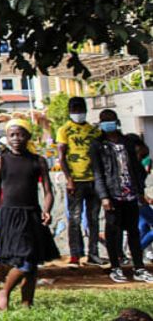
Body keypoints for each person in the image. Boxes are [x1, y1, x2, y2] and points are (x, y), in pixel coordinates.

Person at [0, 119, 59, 310]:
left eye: (20, 134)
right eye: (12, 135)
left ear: (28, 136)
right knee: (25, 260)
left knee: (31, 262)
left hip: (32, 214)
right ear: (7, 137)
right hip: (10, 215)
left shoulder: (38, 161)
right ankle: (4, 292)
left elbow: (48, 191)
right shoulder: (0, 161)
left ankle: (27, 303)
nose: (16, 138)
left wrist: (47, 210)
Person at [89, 110, 152, 283]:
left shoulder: (128, 142)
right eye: (104, 121)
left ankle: (139, 268)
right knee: (113, 232)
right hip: (112, 194)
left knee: (133, 231)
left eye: (110, 120)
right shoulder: (97, 145)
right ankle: (115, 267)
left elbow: (136, 169)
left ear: (116, 121)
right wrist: (104, 196)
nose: (108, 123)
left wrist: (140, 192)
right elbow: (98, 173)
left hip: (130, 194)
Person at [58, 97, 104, 266]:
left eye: (80, 109)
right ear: (69, 111)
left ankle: (93, 253)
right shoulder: (65, 130)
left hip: (94, 180)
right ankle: (75, 255)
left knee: (93, 219)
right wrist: (69, 179)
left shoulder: (94, 131)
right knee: (75, 219)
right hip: (76, 181)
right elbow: (61, 157)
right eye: (74, 109)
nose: (78, 112)